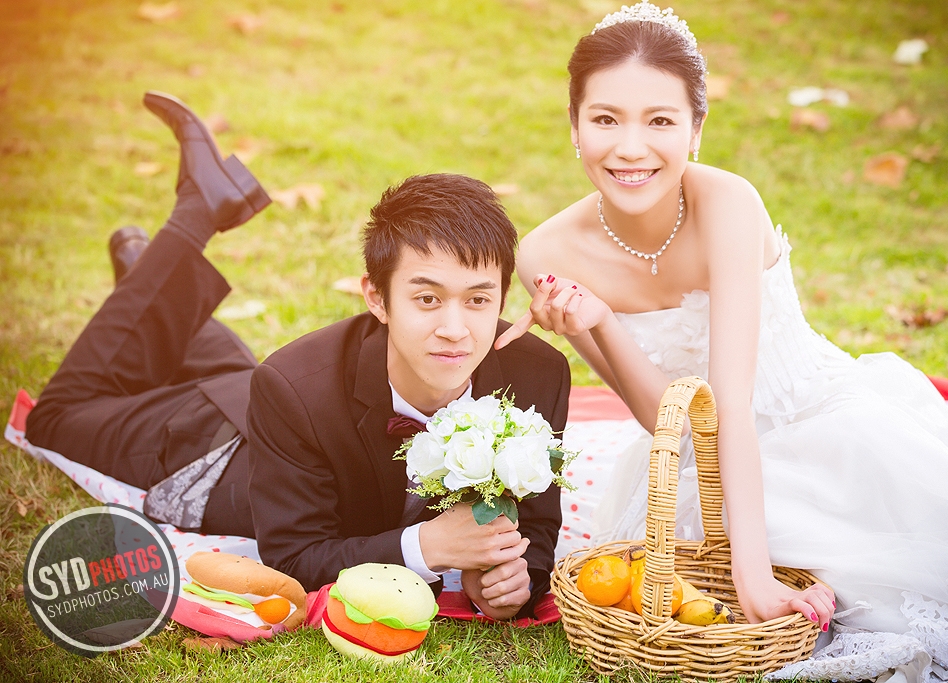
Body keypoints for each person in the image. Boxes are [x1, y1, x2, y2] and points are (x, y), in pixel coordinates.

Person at [496, 1, 948, 676]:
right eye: (605, 119)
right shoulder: (546, 254)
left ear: (696, 129)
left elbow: (733, 407)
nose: (630, 147)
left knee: (892, 579)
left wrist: (751, 575)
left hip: (818, 423)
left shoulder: (728, 204)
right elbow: (667, 419)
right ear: (574, 126)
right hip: (696, 460)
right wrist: (598, 321)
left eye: (660, 120)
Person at [25, 92, 570, 621]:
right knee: (55, 419)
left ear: (502, 295)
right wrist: (425, 547)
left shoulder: (538, 375)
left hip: (287, 391)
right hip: (217, 448)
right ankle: (192, 217)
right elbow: (293, 557)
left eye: (478, 300)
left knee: (259, 375)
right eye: (426, 299)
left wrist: (514, 577)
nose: (455, 331)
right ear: (376, 298)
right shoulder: (293, 389)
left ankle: (152, 279)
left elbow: (537, 522)